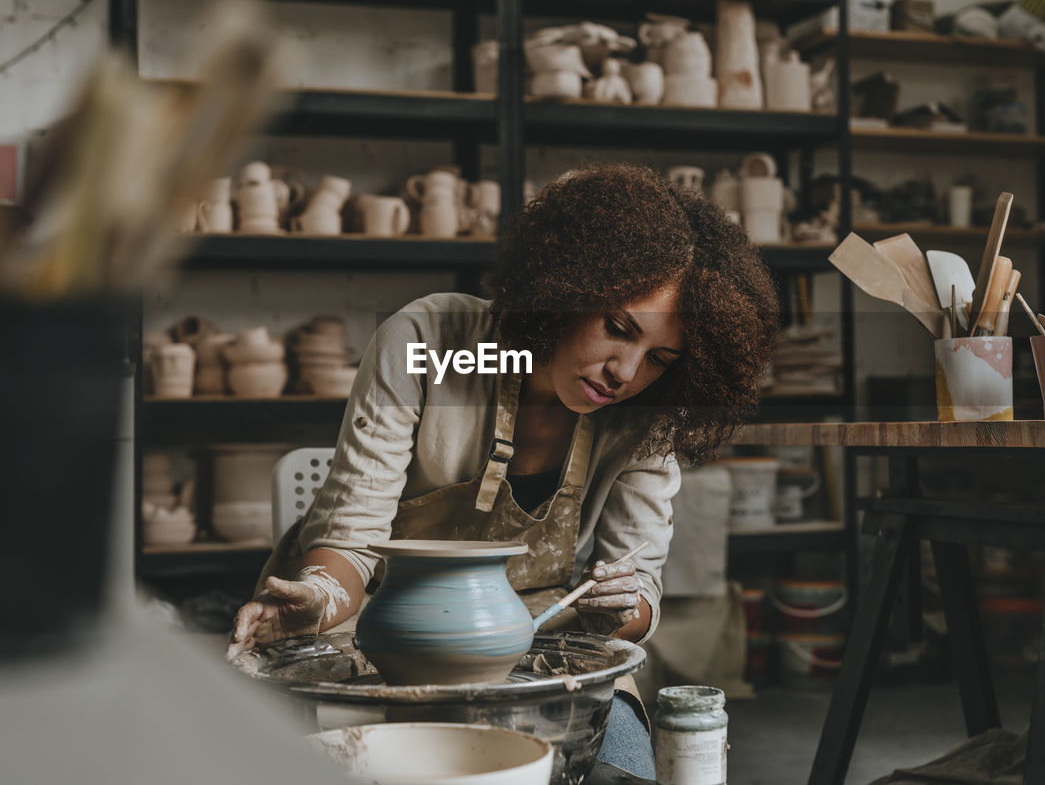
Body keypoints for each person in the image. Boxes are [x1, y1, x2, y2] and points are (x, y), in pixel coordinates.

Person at [228, 163, 779, 776]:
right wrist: (318, 598)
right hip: (372, 626)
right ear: (569, 287)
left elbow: (638, 589)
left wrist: (620, 606)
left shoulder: (645, 416)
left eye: (659, 358)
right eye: (618, 329)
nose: (625, 372)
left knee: (622, 764)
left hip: (537, 638)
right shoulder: (429, 340)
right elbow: (350, 545)